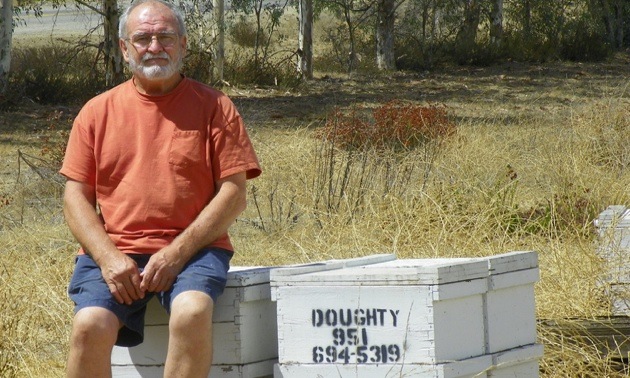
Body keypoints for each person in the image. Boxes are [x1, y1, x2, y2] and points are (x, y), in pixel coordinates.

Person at [59, 0, 261, 376]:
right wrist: (109, 259)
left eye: (165, 37)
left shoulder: (216, 106)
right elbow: (75, 197)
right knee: (89, 326)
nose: (155, 47)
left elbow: (233, 193)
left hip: (195, 250)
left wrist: (176, 254)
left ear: (183, 45)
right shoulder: (96, 111)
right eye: (143, 38)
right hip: (115, 251)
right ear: (124, 48)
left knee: (192, 312)